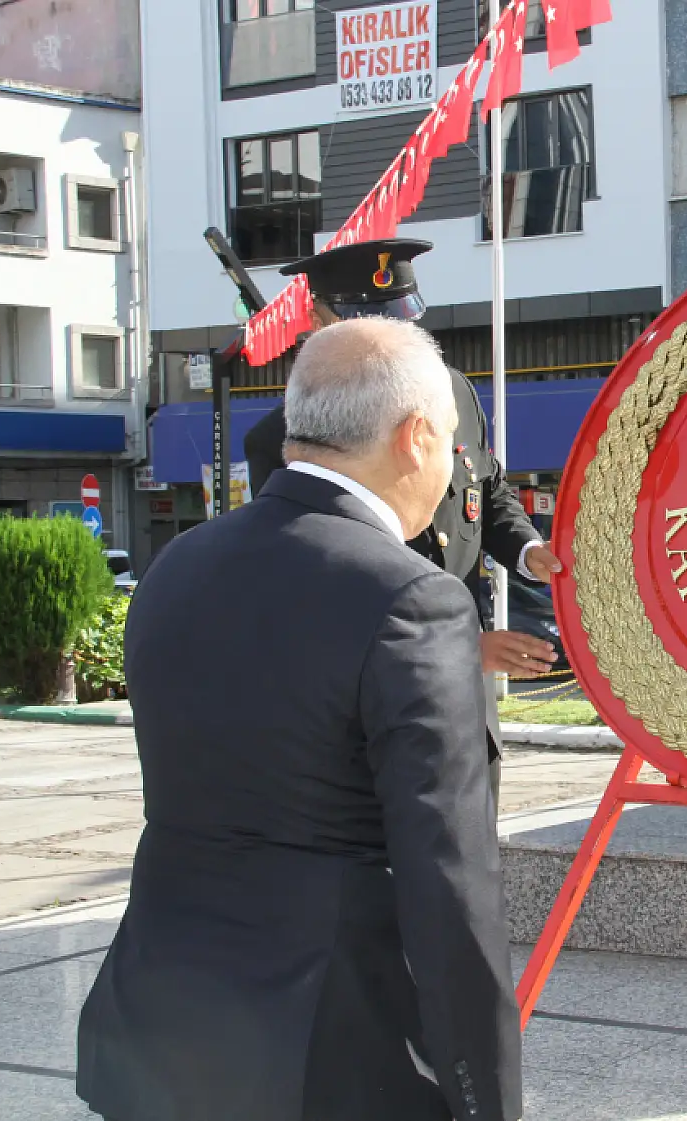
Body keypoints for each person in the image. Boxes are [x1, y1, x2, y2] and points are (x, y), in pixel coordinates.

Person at [77, 317, 522, 1121]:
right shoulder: (413, 597)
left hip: (153, 1030)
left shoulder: (179, 562)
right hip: (329, 1054)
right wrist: (485, 1098)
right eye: (454, 442)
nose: (457, 464)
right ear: (416, 437)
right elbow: (448, 878)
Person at [244, 237, 560, 689]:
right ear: (317, 321)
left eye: (400, 324)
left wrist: (531, 553)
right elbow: (310, 593)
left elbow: (486, 490)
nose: (391, 344)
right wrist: (461, 648)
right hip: (372, 693)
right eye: (367, 326)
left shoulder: (452, 392)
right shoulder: (286, 437)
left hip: (467, 691)